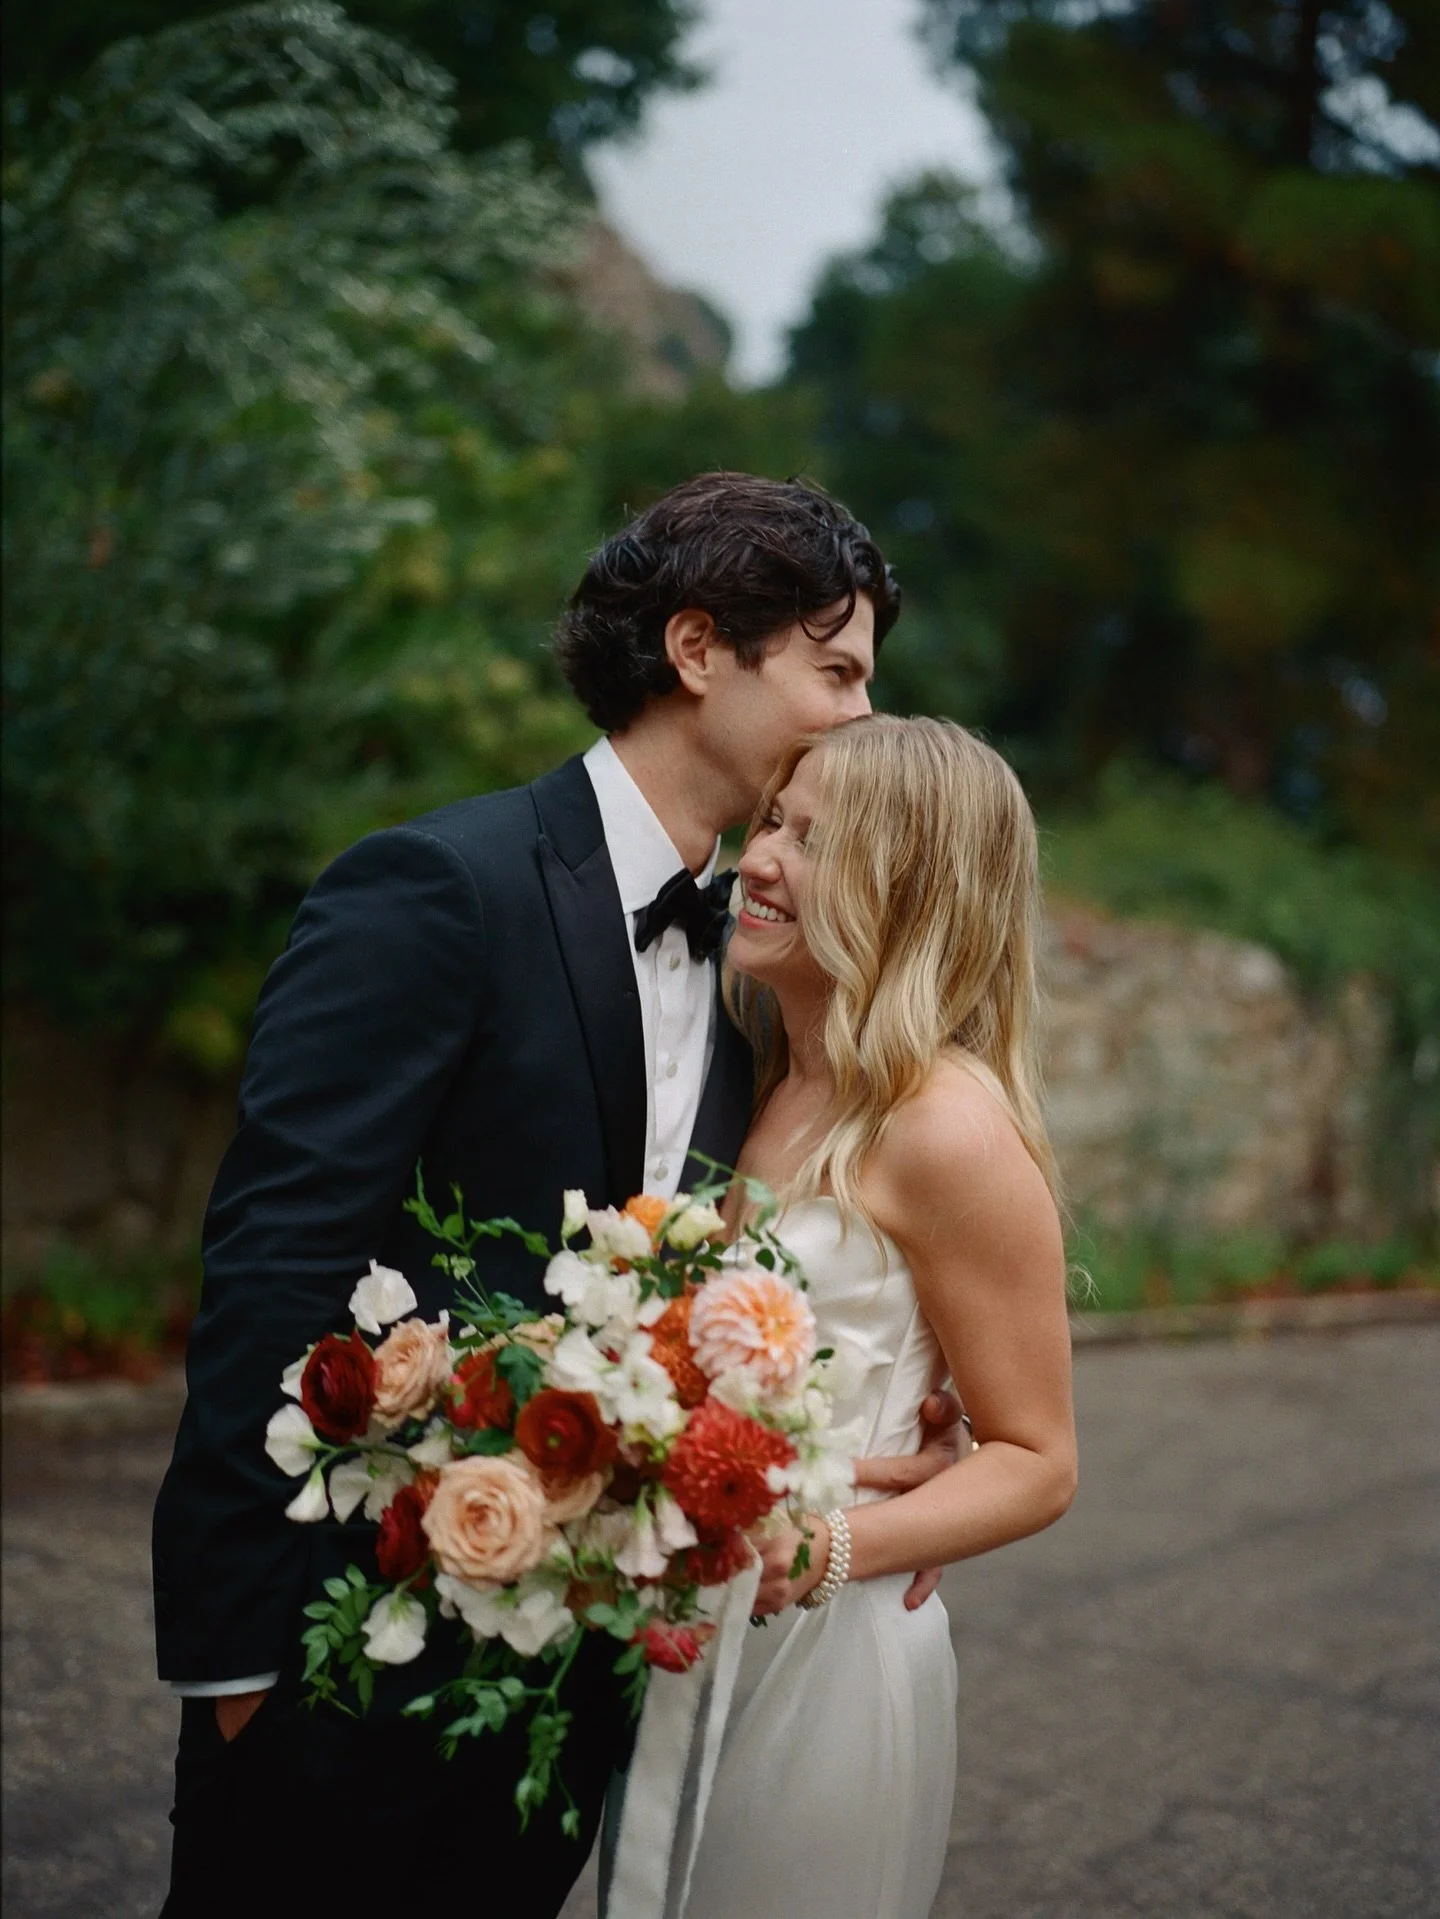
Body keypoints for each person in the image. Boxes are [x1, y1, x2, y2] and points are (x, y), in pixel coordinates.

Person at [150, 473, 965, 1918]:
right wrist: (237, 1667)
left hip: (583, 1684)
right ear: (700, 648)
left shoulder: (761, 962)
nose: (857, 716)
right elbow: (272, 1263)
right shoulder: (437, 887)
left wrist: (898, 1389)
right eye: (834, 670)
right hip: (351, 1658)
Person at [648, 714, 1078, 1919]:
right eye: (774, 820)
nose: (762, 858)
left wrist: (830, 1548)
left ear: (911, 895)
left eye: (816, 843)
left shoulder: (945, 1128)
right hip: (670, 1629)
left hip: (825, 1661)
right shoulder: (748, 1074)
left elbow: (1039, 1458)